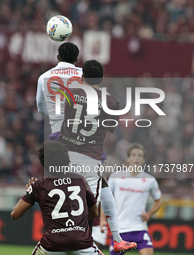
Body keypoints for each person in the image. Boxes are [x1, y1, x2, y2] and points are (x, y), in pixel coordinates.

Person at [58, 60, 137, 253]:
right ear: (102, 78)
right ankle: (83, 247)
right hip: (89, 158)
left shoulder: (71, 92)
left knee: (100, 189)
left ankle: (116, 238)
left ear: (82, 76)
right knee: (86, 211)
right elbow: (112, 128)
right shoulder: (111, 101)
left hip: (64, 156)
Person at [11, 141, 104, 255]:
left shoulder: (39, 185)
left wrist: (30, 193)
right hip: (81, 243)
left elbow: (15, 214)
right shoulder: (80, 180)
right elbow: (94, 212)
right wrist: (75, 226)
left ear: (44, 162)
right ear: (66, 160)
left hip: (53, 245)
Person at [106, 143, 162, 255]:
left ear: (143, 160)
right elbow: (106, 200)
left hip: (140, 229)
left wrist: (150, 213)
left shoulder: (150, 180)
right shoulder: (115, 177)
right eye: (134, 155)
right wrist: (103, 220)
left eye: (140, 155)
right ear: (128, 158)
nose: (136, 157)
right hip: (120, 230)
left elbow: (159, 200)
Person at [36, 42, 82, 141]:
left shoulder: (43, 77)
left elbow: (40, 107)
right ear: (76, 59)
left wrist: (55, 114)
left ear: (58, 57)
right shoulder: (85, 75)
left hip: (58, 134)